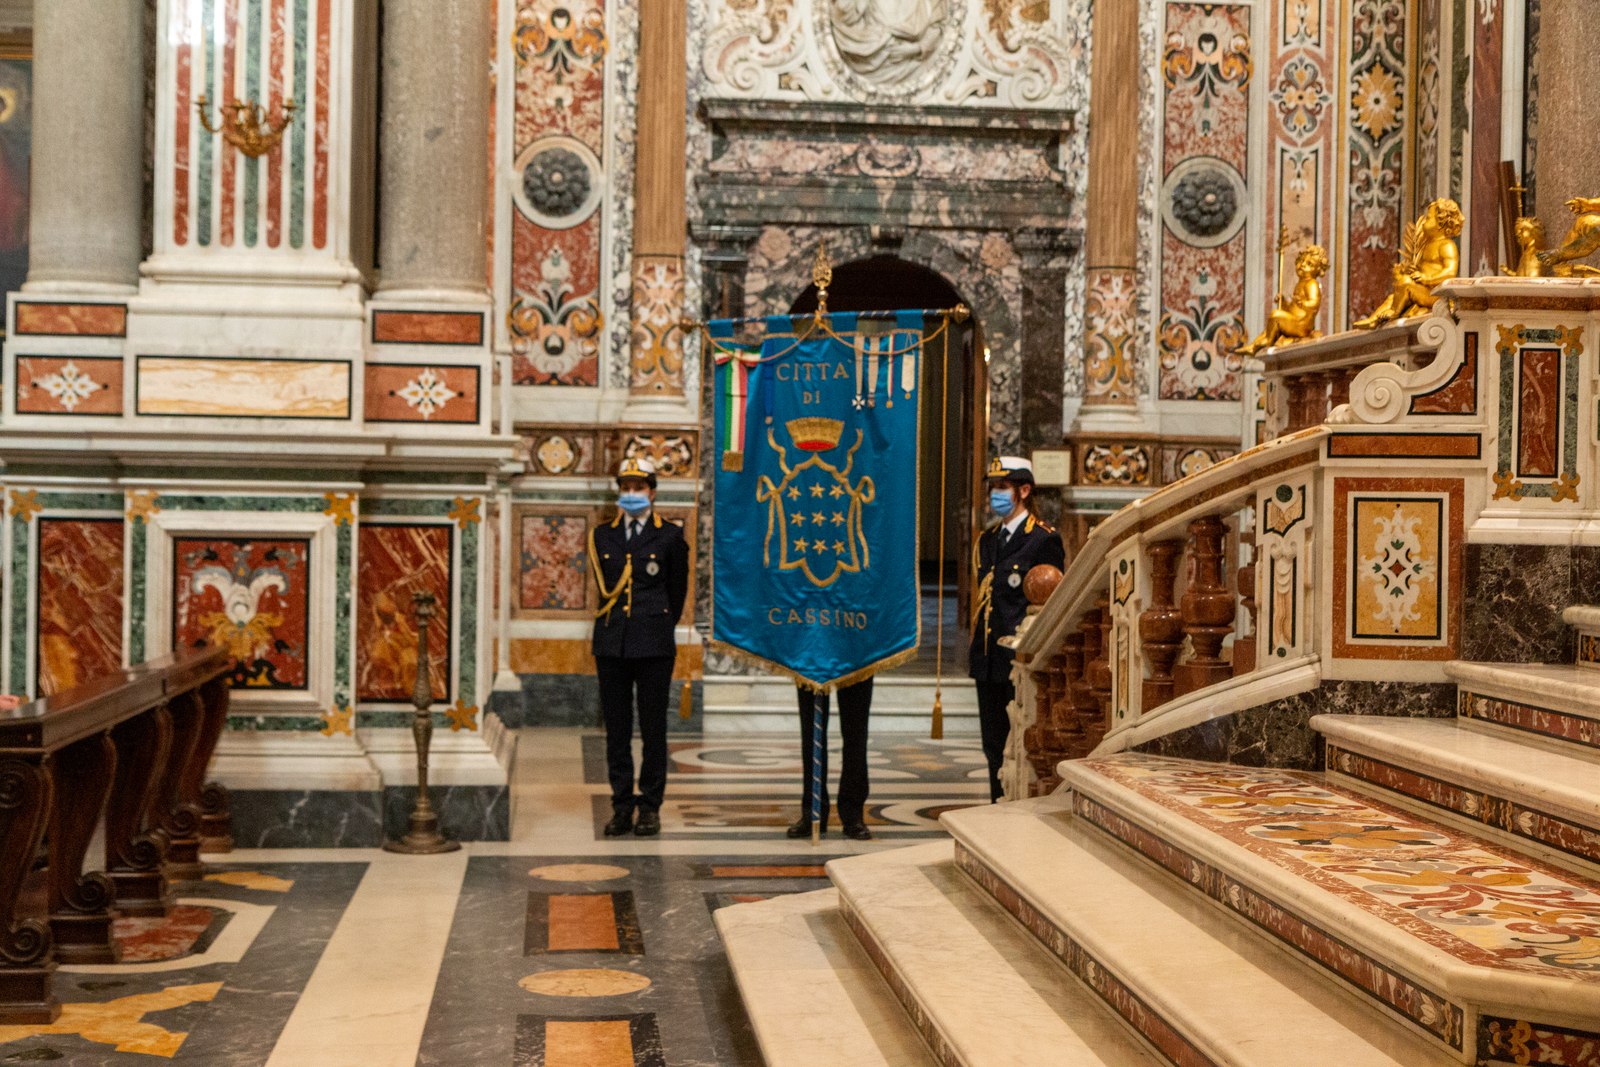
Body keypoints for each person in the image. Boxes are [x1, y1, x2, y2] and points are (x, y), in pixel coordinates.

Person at [588, 457, 689, 837]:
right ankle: (621, 805)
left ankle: (649, 806)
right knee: (616, 730)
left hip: (654, 645)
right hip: (611, 643)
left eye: (638, 487)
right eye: (625, 487)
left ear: (652, 491)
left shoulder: (670, 536)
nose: (631, 493)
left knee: (653, 728)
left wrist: (657, 627)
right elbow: (603, 587)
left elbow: (677, 591)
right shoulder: (603, 535)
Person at [969, 456, 1065, 802]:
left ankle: (1019, 805)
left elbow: (1050, 603)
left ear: (1024, 491)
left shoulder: (1042, 539)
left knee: (1021, 740)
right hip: (988, 657)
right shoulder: (987, 540)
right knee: (992, 744)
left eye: (1002, 487)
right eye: (992, 487)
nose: (995, 494)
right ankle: (996, 803)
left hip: (1020, 658)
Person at [788, 678, 874, 841]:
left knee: (856, 732)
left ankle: (853, 814)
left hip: (856, 662)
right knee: (811, 732)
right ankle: (813, 812)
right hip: (811, 662)